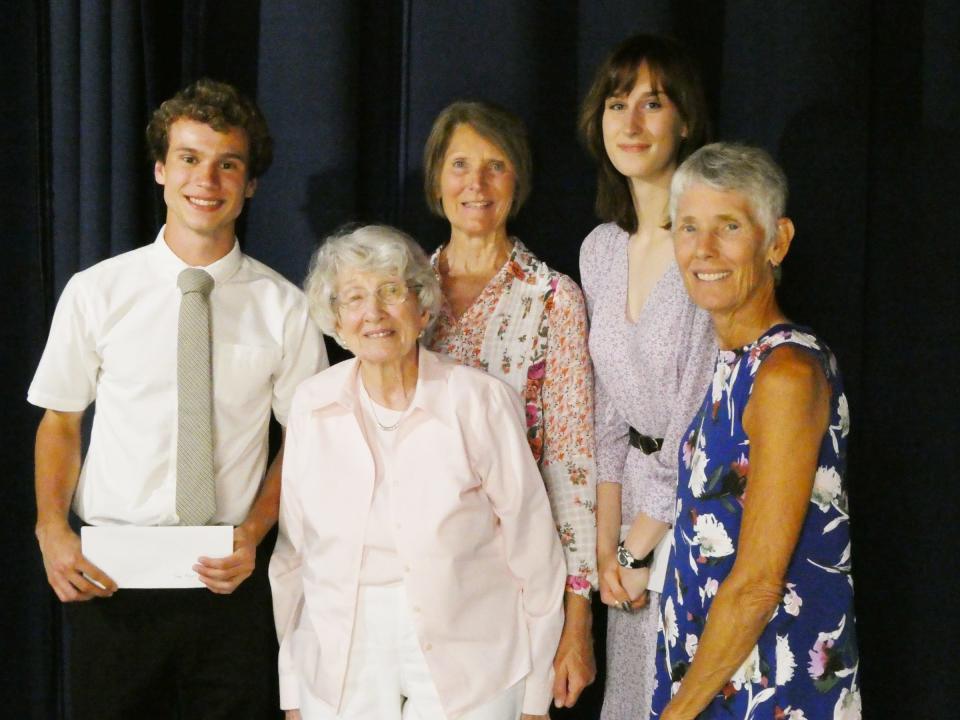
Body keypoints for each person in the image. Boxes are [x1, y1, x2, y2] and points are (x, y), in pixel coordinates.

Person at [28, 78, 326, 718]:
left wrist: (253, 533)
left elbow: (307, 442)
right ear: (162, 170)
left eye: (229, 164)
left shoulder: (286, 307)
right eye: (189, 158)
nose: (207, 180)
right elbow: (60, 419)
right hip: (112, 583)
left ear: (250, 185)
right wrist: (52, 529)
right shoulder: (96, 292)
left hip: (229, 586)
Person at [270, 224, 565, 720]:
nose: (374, 313)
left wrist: (537, 690)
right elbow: (294, 556)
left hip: (472, 646)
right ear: (336, 322)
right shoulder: (311, 404)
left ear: (422, 308)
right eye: (354, 298)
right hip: (340, 649)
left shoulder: (478, 400)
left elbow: (534, 551)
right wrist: (294, 687)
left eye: (391, 291)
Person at [650, 142, 860, 719]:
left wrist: (676, 712)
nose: (704, 249)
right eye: (689, 227)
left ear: (777, 241)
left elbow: (759, 583)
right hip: (715, 677)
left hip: (768, 690)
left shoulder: (786, 372)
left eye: (729, 226)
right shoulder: (738, 361)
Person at [420, 101, 598, 712]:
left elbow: (573, 468)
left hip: (512, 589)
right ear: (436, 179)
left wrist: (578, 624)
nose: (476, 183)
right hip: (408, 582)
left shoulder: (553, 299)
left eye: (495, 167)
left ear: (517, 181)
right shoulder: (395, 292)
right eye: (460, 164)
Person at [577, 34, 717, 719]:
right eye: (615, 102)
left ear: (685, 119)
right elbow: (606, 414)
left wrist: (635, 547)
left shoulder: (710, 241)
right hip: (630, 527)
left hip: (698, 518)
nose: (629, 122)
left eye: (652, 103)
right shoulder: (601, 250)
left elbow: (700, 413)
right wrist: (604, 549)